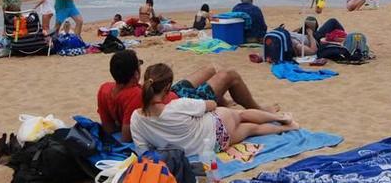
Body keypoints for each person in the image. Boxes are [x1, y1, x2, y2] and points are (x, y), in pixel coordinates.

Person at [97, 50, 277, 142]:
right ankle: (257, 109)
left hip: (167, 91)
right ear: (136, 75)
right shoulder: (135, 95)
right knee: (230, 75)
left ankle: (225, 101)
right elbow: (127, 136)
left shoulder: (105, 89)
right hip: (184, 101)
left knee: (211, 69)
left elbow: (108, 128)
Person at [130, 64, 298, 157]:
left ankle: (285, 128)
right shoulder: (178, 105)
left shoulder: (136, 119)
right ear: (168, 87)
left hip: (214, 146)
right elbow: (211, 105)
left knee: (251, 129)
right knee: (242, 115)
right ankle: (281, 118)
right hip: (216, 126)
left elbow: (143, 151)